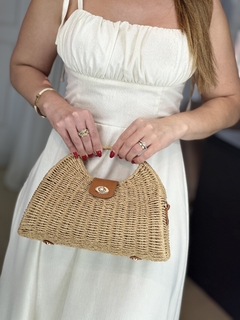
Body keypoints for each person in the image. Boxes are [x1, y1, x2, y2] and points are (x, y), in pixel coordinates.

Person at [0, 0, 239, 319]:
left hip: (153, 187)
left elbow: (229, 100)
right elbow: (24, 65)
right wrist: (52, 103)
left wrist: (176, 124)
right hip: (66, 170)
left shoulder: (202, 6)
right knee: (44, 298)